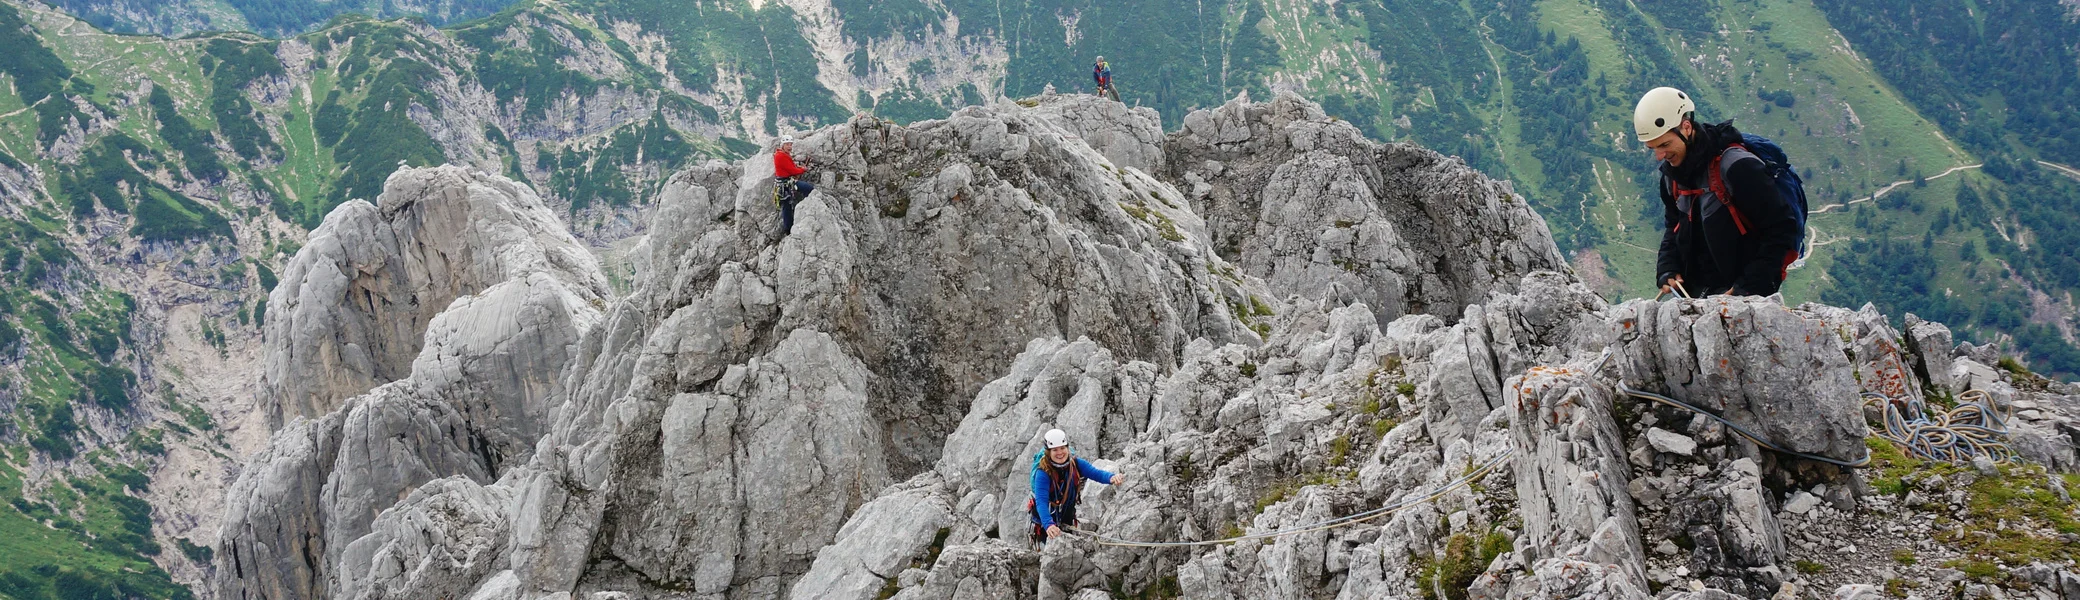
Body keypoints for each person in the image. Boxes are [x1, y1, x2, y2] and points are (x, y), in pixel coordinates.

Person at [1635, 87, 1801, 298]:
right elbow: (1674, 226)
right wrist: (1667, 267)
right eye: (1653, 148)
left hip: (1745, 292)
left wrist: (1748, 286)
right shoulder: (1672, 177)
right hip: (1698, 294)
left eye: (1665, 144)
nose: (1660, 156)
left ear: (1686, 127)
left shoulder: (1737, 167)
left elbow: (1782, 228)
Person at [1029, 428, 1124, 543]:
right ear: (1048, 452)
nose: (1060, 453)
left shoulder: (1075, 464)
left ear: (1067, 448)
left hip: (1066, 512)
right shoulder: (1043, 473)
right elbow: (1041, 501)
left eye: (1062, 448)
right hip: (1045, 518)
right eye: (1055, 450)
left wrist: (1111, 477)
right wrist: (1048, 524)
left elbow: (1095, 473)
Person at [773, 135, 814, 235]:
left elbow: (790, 167)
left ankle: (789, 228)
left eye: (791, 144)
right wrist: (803, 169)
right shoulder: (781, 156)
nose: (789, 147)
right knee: (809, 189)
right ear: (782, 145)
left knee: (786, 206)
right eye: (787, 144)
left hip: (784, 183)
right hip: (786, 183)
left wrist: (798, 168)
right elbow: (792, 170)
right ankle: (807, 211)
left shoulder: (782, 154)